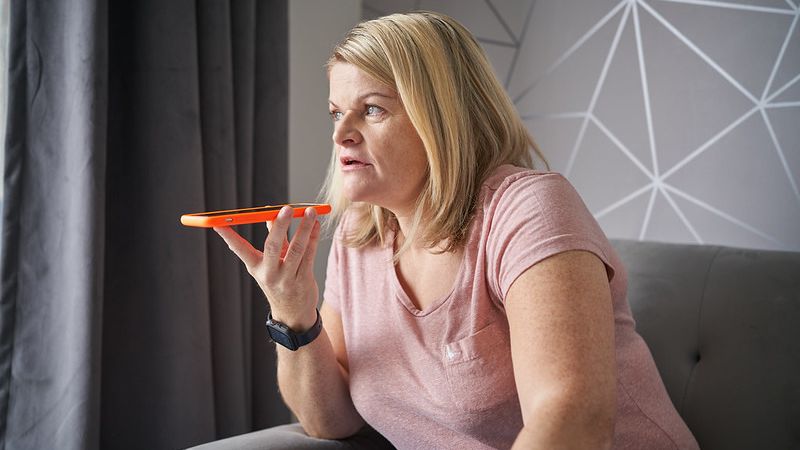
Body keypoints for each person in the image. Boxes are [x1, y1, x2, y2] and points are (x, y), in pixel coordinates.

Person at [201, 11, 699, 450]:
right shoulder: (360, 235)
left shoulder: (527, 209)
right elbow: (330, 421)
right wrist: (291, 314)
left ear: (443, 117)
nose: (340, 133)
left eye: (371, 109)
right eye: (336, 112)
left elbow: (574, 424)